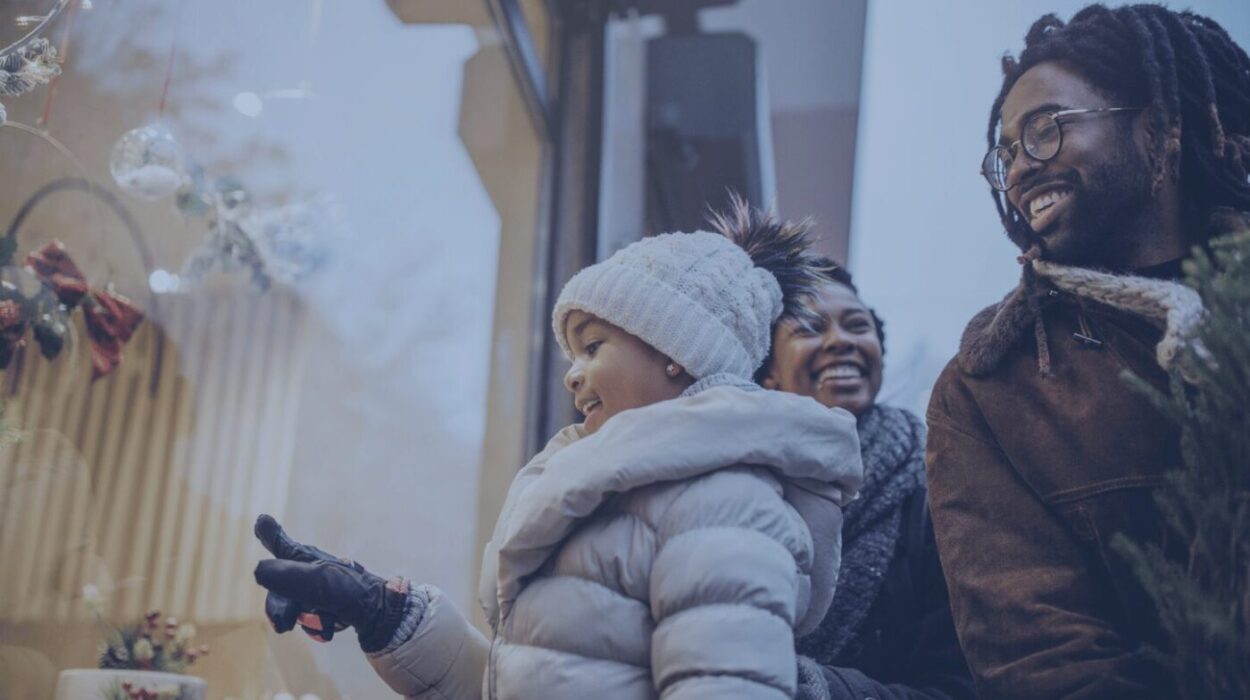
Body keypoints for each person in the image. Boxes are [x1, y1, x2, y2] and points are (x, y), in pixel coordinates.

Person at [253, 221, 865, 698]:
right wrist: (384, 612)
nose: (573, 376)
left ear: (676, 351)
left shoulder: (723, 504)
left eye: (593, 346)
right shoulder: (608, 495)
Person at [925, 5, 1250, 699]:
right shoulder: (990, 390)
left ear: (1158, 130)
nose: (1019, 170)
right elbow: (1041, 661)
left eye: (1046, 130)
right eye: (1006, 151)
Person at [710, 203, 975, 700]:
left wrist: (817, 688)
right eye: (811, 328)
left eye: (857, 326)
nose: (840, 342)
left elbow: (959, 686)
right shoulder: (727, 485)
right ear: (766, 370)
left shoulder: (935, 493)